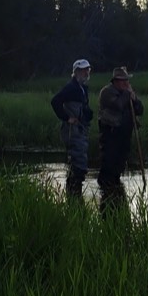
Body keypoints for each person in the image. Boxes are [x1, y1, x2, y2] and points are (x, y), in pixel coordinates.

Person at [97, 66, 144, 206]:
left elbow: (140, 110)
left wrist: (134, 99)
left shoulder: (127, 94)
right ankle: (106, 195)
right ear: (116, 81)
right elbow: (118, 105)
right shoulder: (107, 92)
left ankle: (117, 194)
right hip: (111, 135)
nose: (126, 83)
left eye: (127, 80)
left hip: (124, 136)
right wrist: (127, 94)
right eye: (124, 80)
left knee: (119, 165)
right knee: (109, 165)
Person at [50, 59, 93, 198]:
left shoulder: (82, 88)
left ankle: (74, 195)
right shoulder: (71, 87)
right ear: (76, 72)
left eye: (87, 70)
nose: (86, 72)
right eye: (83, 70)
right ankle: (73, 197)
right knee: (77, 163)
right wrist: (67, 118)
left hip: (81, 130)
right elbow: (55, 101)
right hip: (71, 130)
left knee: (77, 162)